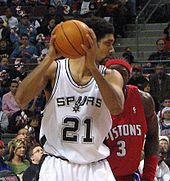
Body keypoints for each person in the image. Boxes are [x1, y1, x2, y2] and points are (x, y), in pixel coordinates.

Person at [15, 17, 124, 181]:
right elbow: (21, 99)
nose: (112, 49)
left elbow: (116, 108)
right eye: (108, 43)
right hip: (57, 164)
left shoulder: (111, 76)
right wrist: (49, 58)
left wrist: (92, 67)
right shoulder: (54, 70)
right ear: (90, 41)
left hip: (95, 167)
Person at [105, 58, 159, 181]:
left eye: (123, 73)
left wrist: (148, 175)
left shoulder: (144, 100)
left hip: (130, 174)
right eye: (114, 72)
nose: (118, 76)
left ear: (128, 76)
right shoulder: (97, 100)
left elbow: (153, 137)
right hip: (102, 173)